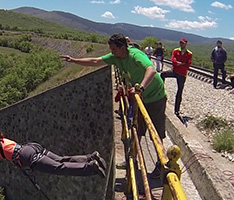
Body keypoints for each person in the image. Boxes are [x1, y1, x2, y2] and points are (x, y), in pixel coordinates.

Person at [60, 33, 167, 177]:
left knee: (156, 133)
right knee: (136, 130)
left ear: (123, 47)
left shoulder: (135, 55)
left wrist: (141, 87)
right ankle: (132, 160)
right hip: (140, 98)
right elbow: (95, 61)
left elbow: (151, 70)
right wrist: (73, 60)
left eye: (114, 49)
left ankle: (162, 165)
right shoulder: (117, 57)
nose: (112, 52)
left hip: (155, 97)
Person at [0, 128, 107, 177]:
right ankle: (91, 158)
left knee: (59, 168)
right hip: (31, 147)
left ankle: (91, 167)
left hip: (26, 156)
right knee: (61, 160)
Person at [160, 38, 193, 116]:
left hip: (182, 74)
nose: (181, 44)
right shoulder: (176, 51)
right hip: (175, 71)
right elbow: (173, 61)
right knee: (163, 74)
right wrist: (181, 63)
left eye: (183, 43)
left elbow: (188, 65)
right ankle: (161, 90)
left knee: (179, 91)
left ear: (186, 44)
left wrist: (179, 64)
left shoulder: (189, 54)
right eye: (181, 43)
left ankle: (177, 110)